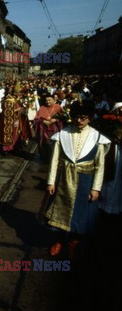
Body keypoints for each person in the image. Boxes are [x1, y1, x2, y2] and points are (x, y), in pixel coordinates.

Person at [46, 101, 111, 261]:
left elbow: (100, 166)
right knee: (60, 212)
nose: (79, 121)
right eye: (76, 118)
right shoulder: (63, 134)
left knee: (81, 215)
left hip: (85, 181)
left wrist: (96, 188)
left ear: (89, 118)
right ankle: (59, 241)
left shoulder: (97, 138)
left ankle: (74, 242)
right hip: (64, 180)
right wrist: (50, 181)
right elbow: (54, 160)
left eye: (83, 118)